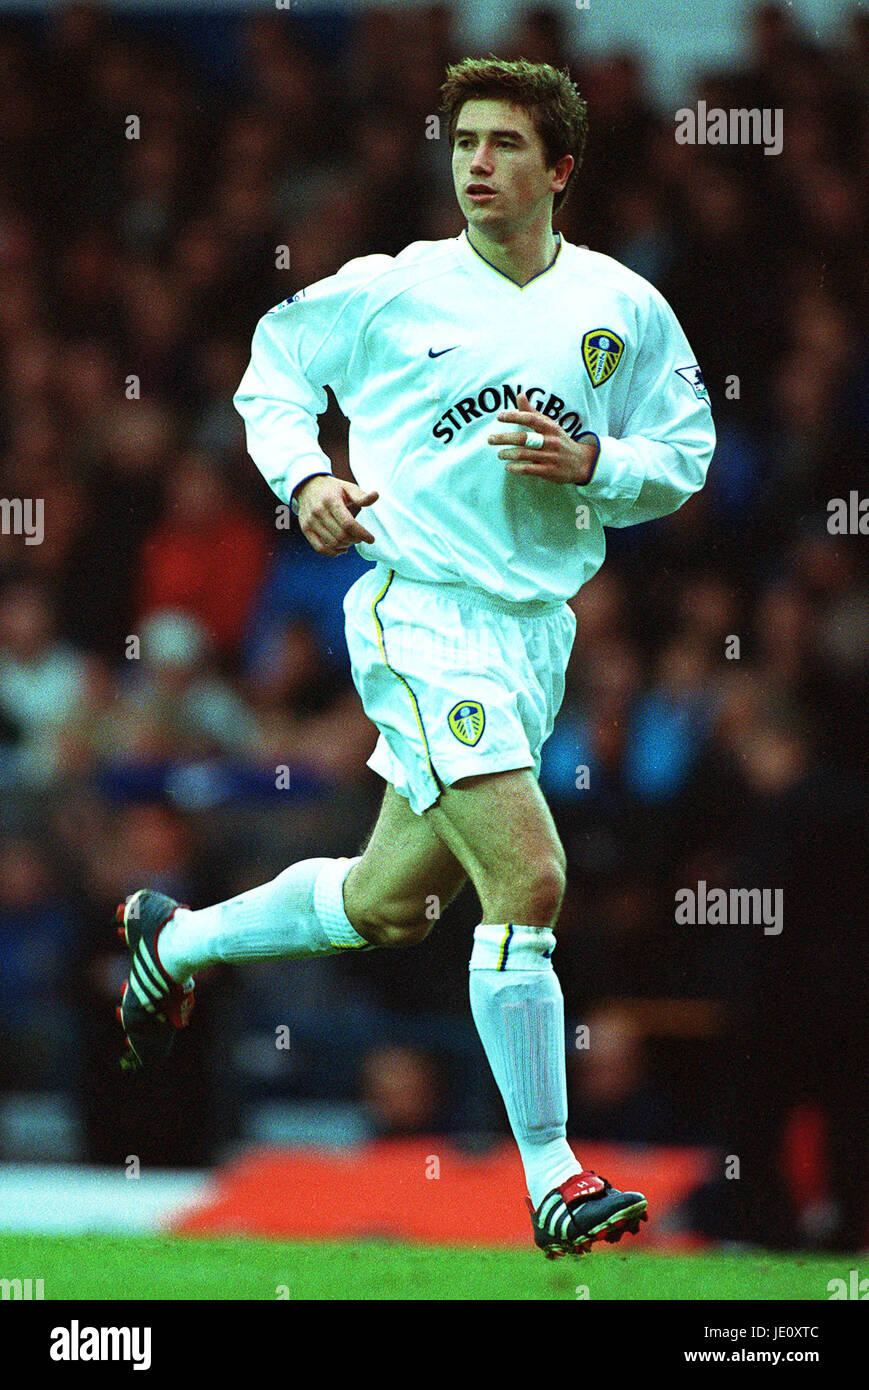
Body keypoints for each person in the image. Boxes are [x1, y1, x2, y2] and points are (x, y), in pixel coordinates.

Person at [116, 57, 715, 1258]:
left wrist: (597, 466)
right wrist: (308, 481)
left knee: (390, 906)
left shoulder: (620, 309)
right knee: (530, 879)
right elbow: (270, 378)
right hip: (419, 610)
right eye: (464, 142)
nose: (476, 163)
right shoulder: (390, 291)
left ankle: (168, 939)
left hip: (534, 633)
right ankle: (552, 1177)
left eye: (503, 144)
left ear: (559, 169)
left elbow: (685, 451)